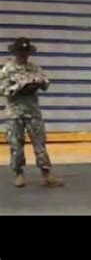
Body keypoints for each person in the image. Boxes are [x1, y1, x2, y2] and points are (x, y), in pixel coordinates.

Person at [0, 37, 63, 188]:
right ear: (15, 53)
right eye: (21, 53)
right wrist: (18, 88)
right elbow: (2, 89)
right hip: (14, 112)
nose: (23, 56)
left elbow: (46, 82)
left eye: (26, 53)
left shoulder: (34, 68)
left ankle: (46, 174)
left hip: (33, 111)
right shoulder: (6, 70)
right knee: (16, 144)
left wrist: (38, 83)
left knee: (40, 143)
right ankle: (19, 174)